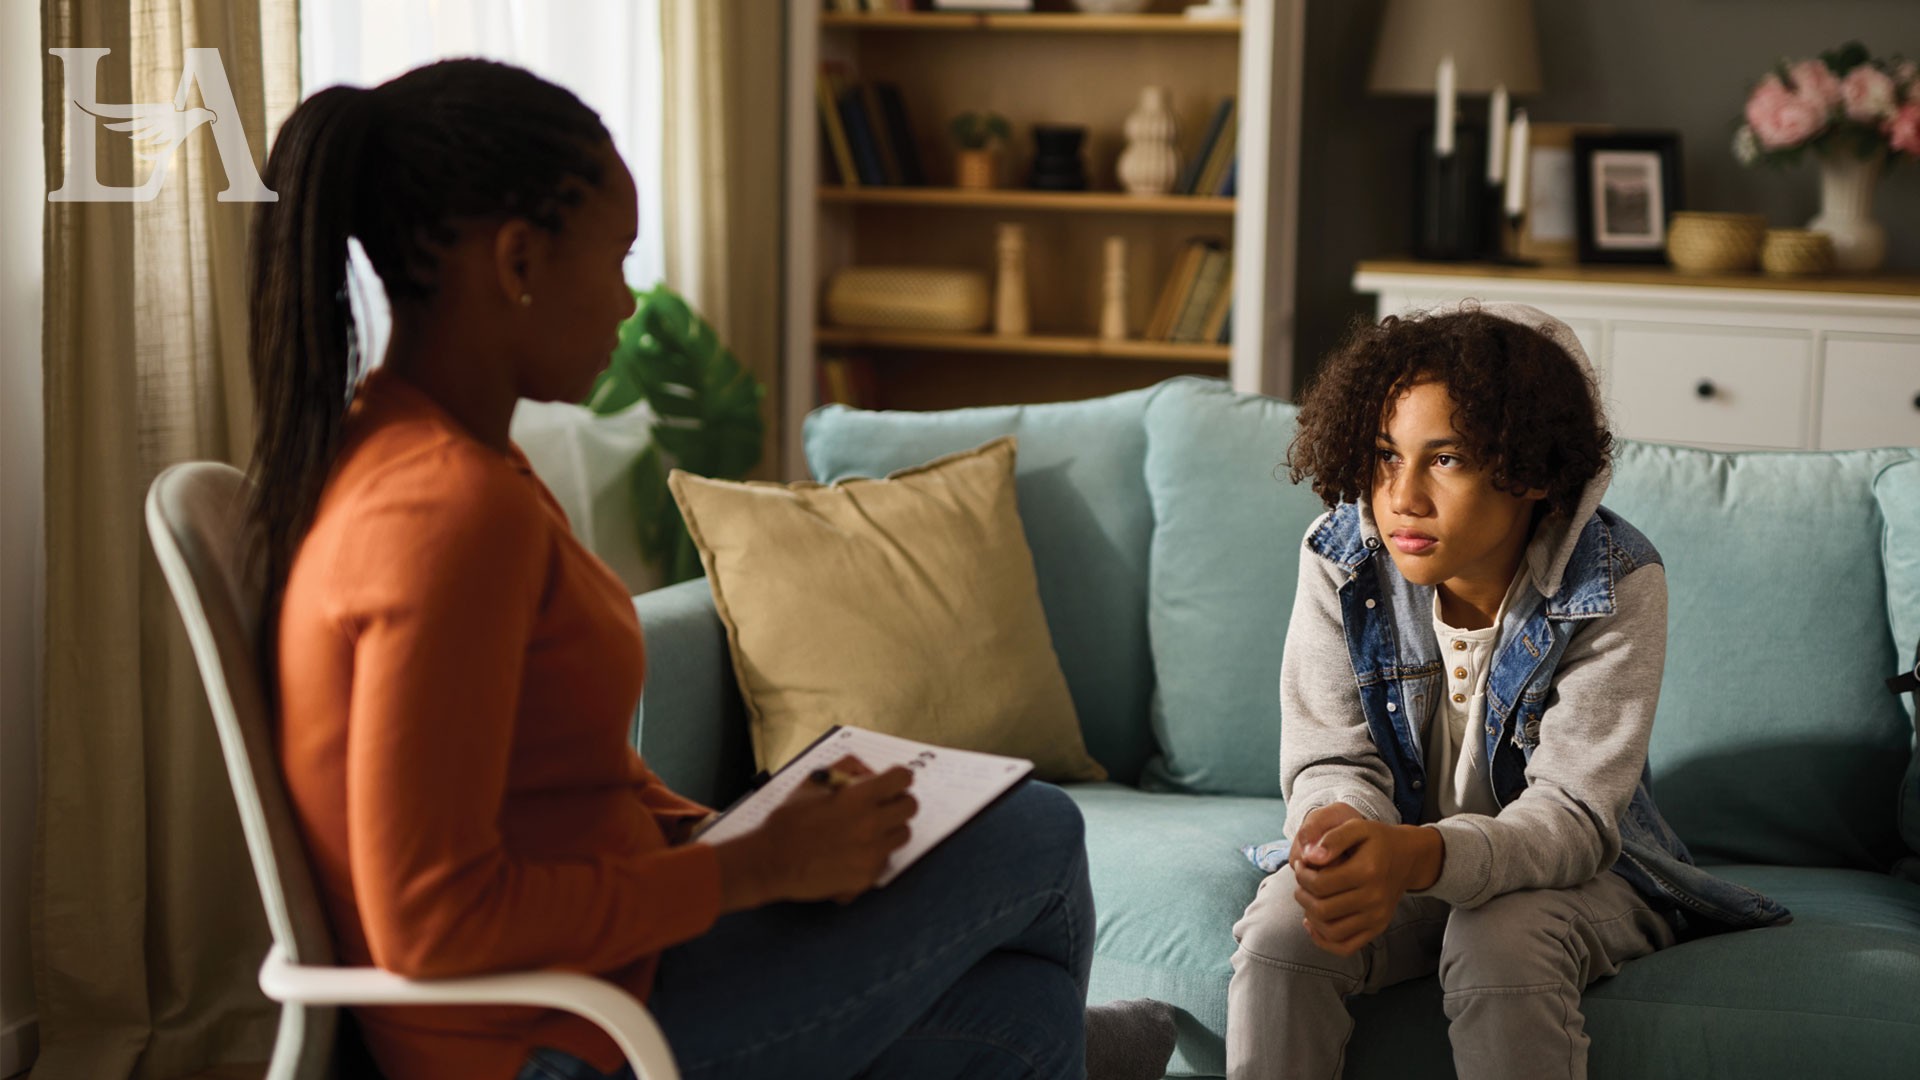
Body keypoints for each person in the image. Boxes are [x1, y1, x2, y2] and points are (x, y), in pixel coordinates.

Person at [250, 59, 1166, 1080]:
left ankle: (1066, 1056)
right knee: (1031, 832)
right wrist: (751, 868)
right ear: (517, 260)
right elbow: (432, 925)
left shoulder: (433, 453)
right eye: (617, 259)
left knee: (1018, 1007)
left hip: (603, 978)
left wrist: (731, 831)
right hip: (550, 1043)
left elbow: (548, 773)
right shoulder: (442, 514)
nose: (630, 301)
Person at [1225, 303, 1790, 1080]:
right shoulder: (1341, 557)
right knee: (1283, 935)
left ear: (1531, 468)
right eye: (1386, 455)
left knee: (1499, 938)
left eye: (1447, 459)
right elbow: (1331, 760)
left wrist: (1418, 855)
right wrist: (1338, 839)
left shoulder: (1618, 581)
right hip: (1408, 856)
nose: (1403, 498)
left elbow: (1573, 819)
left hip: (1580, 873)